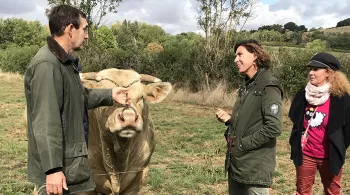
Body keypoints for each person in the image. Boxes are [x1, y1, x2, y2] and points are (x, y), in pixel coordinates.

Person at [24, 5, 129, 195]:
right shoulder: (47, 65)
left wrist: (111, 94)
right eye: (84, 29)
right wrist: (53, 170)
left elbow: (78, 98)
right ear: (70, 29)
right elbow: (46, 121)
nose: (87, 35)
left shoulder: (64, 63)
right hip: (60, 169)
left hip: (70, 165)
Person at [216, 39, 283, 195]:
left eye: (240, 54)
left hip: (255, 169)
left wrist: (242, 144)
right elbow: (252, 120)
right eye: (235, 55)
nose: (235, 60)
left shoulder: (268, 86)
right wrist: (231, 119)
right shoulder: (246, 85)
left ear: (255, 56)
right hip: (237, 165)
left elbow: (274, 127)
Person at [288, 52, 350, 195]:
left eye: (315, 69)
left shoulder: (342, 99)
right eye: (310, 69)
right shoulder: (303, 95)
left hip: (330, 157)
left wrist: (338, 147)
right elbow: (296, 123)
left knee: (332, 192)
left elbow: (347, 131)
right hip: (306, 155)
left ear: (328, 72)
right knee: (302, 192)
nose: (311, 72)